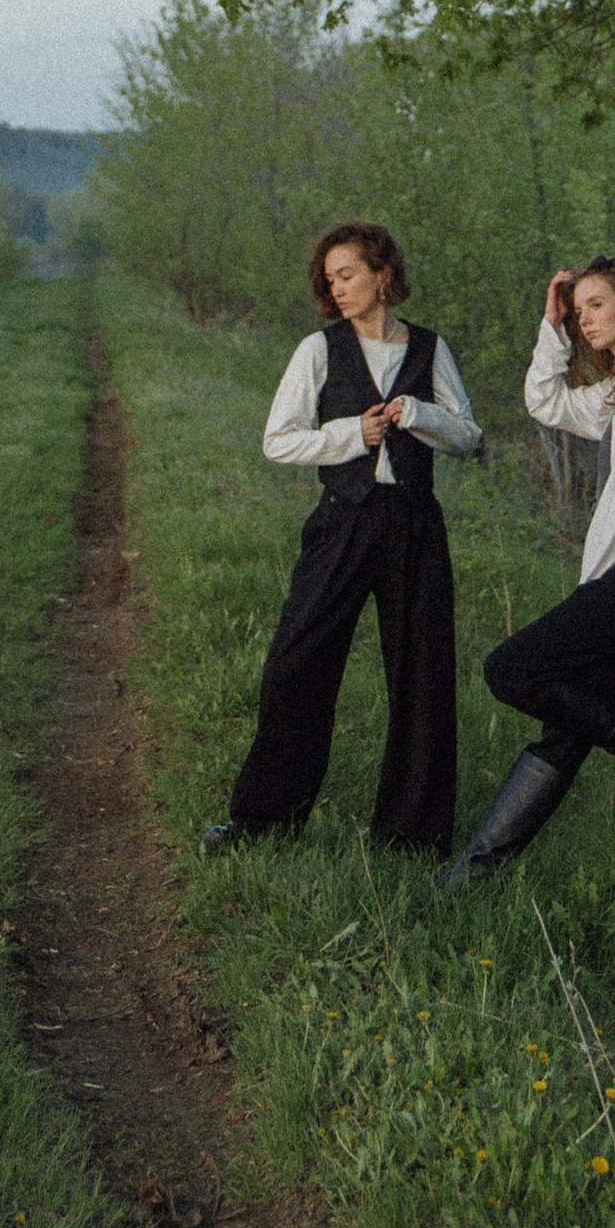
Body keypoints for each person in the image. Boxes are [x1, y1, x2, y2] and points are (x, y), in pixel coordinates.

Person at [204, 220, 483, 860]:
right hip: (342, 521)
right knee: (297, 665)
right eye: (331, 280)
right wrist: (350, 435)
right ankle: (264, 823)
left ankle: (412, 839)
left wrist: (422, 416)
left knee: (422, 677)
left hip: (414, 525)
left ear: (384, 275)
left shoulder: (430, 350)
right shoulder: (319, 350)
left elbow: (470, 436)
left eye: (348, 274)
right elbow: (279, 440)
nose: (338, 288)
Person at [443, 257, 615, 890]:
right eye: (579, 311)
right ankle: (477, 872)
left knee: (509, 669)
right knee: (565, 732)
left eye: (598, 305)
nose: (586, 319)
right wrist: (551, 327)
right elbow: (544, 400)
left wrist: (593, 586)